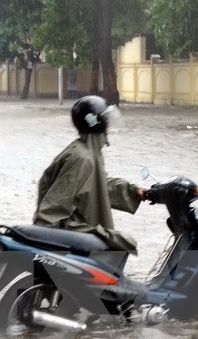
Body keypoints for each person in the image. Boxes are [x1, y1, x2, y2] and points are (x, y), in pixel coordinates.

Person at [33, 95, 144, 254]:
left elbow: (98, 184)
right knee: (123, 242)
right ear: (96, 123)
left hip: (80, 227)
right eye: (106, 120)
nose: (110, 126)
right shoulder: (82, 158)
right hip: (74, 234)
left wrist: (133, 190)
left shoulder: (88, 151)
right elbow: (55, 205)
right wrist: (45, 243)